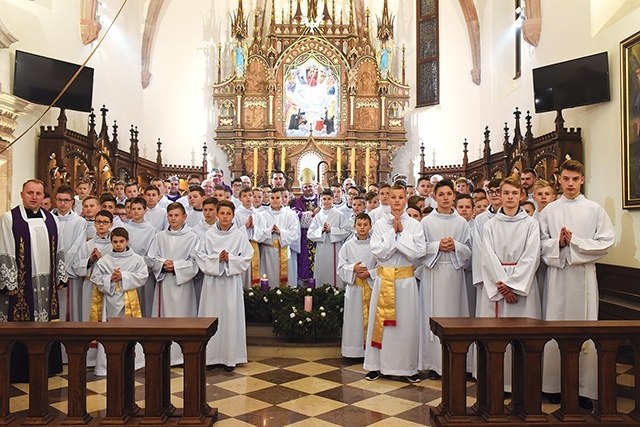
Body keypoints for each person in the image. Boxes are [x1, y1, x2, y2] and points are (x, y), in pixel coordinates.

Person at [540, 160, 614, 408]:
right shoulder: (549, 211)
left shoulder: (594, 209)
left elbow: (606, 242)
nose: (570, 183)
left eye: (575, 179)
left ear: (582, 179)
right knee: (555, 327)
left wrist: (576, 243)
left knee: (584, 331)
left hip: (583, 276)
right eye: (566, 178)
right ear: (559, 179)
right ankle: (554, 386)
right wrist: (558, 244)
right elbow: (539, 244)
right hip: (558, 277)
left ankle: (584, 389)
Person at [0, 179, 67, 382]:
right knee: (21, 322)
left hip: (45, 285)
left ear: (43, 196)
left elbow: (60, 249)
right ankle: (18, 370)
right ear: (22, 194)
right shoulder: (9, 219)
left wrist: (60, 276)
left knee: (46, 323)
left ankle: (46, 366)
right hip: (21, 285)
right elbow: (4, 249)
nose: (34, 197)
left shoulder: (51, 219)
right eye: (30, 193)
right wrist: (10, 281)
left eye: (38, 193)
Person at [479, 177, 541, 392]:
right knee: (498, 337)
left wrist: (513, 285)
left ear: (522, 195)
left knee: (523, 335)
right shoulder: (489, 225)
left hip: (522, 288)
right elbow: (487, 256)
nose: (510, 197)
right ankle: (500, 384)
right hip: (498, 285)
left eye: (515, 193)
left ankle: (524, 384)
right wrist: (502, 286)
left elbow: (532, 255)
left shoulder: (532, 224)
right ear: (500, 195)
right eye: (506, 193)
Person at [363, 185, 426, 383]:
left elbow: (419, 252)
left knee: (406, 325)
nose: (397, 201)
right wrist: (393, 234)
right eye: (393, 197)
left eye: (401, 197)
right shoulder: (380, 225)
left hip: (405, 282)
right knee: (380, 323)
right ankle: (377, 365)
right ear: (387, 199)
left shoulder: (415, 225)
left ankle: (408, 368)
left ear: (407, 199)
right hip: (385, 279)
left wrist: (401, 234)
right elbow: (378, 252)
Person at [418, 180, 472, 380]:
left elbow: (469, 251)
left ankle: (456, 361)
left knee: (456, 316)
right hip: (433, 273)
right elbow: (419, 249)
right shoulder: (426, 222)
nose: (446, 198)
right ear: (434, 196)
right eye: (441, 194)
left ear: (454, 196)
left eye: (449, 194)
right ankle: (433, 364)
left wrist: (456, 246)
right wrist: (436, 246)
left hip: (455, 275)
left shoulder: (461, 222)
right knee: (433, 316)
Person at [196, 200, 253, 371]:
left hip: (230, 282)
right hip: (212, 282)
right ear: (217, 215)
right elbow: (200, 255)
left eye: (228, 214)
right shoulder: (208, 235)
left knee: (230, 317)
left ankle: (230, 358)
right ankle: (211, 357)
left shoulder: (239, 235)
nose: (225, 217)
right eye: (222, 213)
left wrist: (231, 259)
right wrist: (215, 260)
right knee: (211, 315)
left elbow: (247, 257)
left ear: (233, 215)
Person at [90, 227, 148, 376]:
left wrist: (124, 276)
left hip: (128, 300)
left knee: (129, 330)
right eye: (115, 242)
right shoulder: (104, 260)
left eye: (121, 241)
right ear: (111, 242)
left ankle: (131, 362)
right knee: (109, 332)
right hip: (109, 302)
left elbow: (143, 276)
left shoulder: (136, 259)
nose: (118, 245)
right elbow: (95, 278)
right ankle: (105, 366)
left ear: (127, 241)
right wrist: (109, 278)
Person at [148, 202, 199, 365]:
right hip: (165, 283)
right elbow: (151, 257)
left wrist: (176, 266)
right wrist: (162, 264)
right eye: (170, 215)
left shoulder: (192, 237)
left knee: (182, 318)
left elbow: (195, 262)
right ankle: (164, 354)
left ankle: (182, 355)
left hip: (183, 285)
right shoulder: (159, 236)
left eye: (177, 215)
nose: (173, 218)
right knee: (165, 318)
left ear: (184, 217)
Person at [338, 213, 377, 358]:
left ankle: (370, 352)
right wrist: (352, 269)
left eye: (365, 225)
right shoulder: (347, 246)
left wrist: (370, 273)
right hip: (354, 288)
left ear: (370, 227)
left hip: (371, 287)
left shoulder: (375, 245)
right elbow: (341, 267)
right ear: (354, 226)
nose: (362, 228)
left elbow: (381, 266)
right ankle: (353, 351)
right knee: (354, 320)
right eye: (359, 225)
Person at [54, 184, 87, 322]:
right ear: (55, 201)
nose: (63, 203)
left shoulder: (79, 222)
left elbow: (77, 247)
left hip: (71, 270)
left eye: (66, 200)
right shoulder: (48, 219)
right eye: (59, 200)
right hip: (51, 271)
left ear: (72, 202)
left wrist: (62, 269)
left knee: (72, 309)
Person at [308, 189, 351, 288]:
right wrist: (321, 230)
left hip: (335, 247)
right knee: (322, 271)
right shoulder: (318, 216)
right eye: (324, 199)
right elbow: (310, 234)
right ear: (320, 200)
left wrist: (332, 230)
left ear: (332, 199)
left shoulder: (339, 214)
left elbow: (346, 231)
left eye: (329, 199)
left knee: (335, 272)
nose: (326, 201)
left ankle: (337, 292)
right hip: (322, 248)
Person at [124, 197, 158, 317]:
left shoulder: (152, 230)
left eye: (139, 209)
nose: (136, 212)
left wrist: (141, 262)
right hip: (128, 270)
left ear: (145, 211)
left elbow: (153, 253)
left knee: (145, 303)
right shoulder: (125, 228)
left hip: (145, 270)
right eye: (133, 209)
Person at [259, 187, 300, 287]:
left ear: (282, 199)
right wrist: (269, 231)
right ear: (269, 199)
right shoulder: (262, 215)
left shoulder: (290, 215)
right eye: (272, 198)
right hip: (267, 252)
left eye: (277, 197)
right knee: (268, 279)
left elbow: (294, 233)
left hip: (284, 251)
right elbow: (258, 233)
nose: (275, 200)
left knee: (286, 282)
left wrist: (280, 232)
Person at [234, 187, 267, 288]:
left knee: (254, 272)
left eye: (250, 195)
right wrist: (245, 227)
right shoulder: (236, 215)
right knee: (243, 274)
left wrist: (254, 228)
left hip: (254, 247)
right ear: (239, 198)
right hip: (241, 249)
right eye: (244, 196)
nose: (248, 198)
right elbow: (232, 233)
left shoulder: (258, 215)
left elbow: (263, 234)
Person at [290, 177, 320, 284]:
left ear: (314, 187)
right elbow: (296, 216)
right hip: (304, 237)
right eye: (305, 187)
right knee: (304, 261)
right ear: (302, 189)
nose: (308, 189)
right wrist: (313, 214)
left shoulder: (320, 200)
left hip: (318, 236)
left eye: (310, 186)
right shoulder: (296, 202)